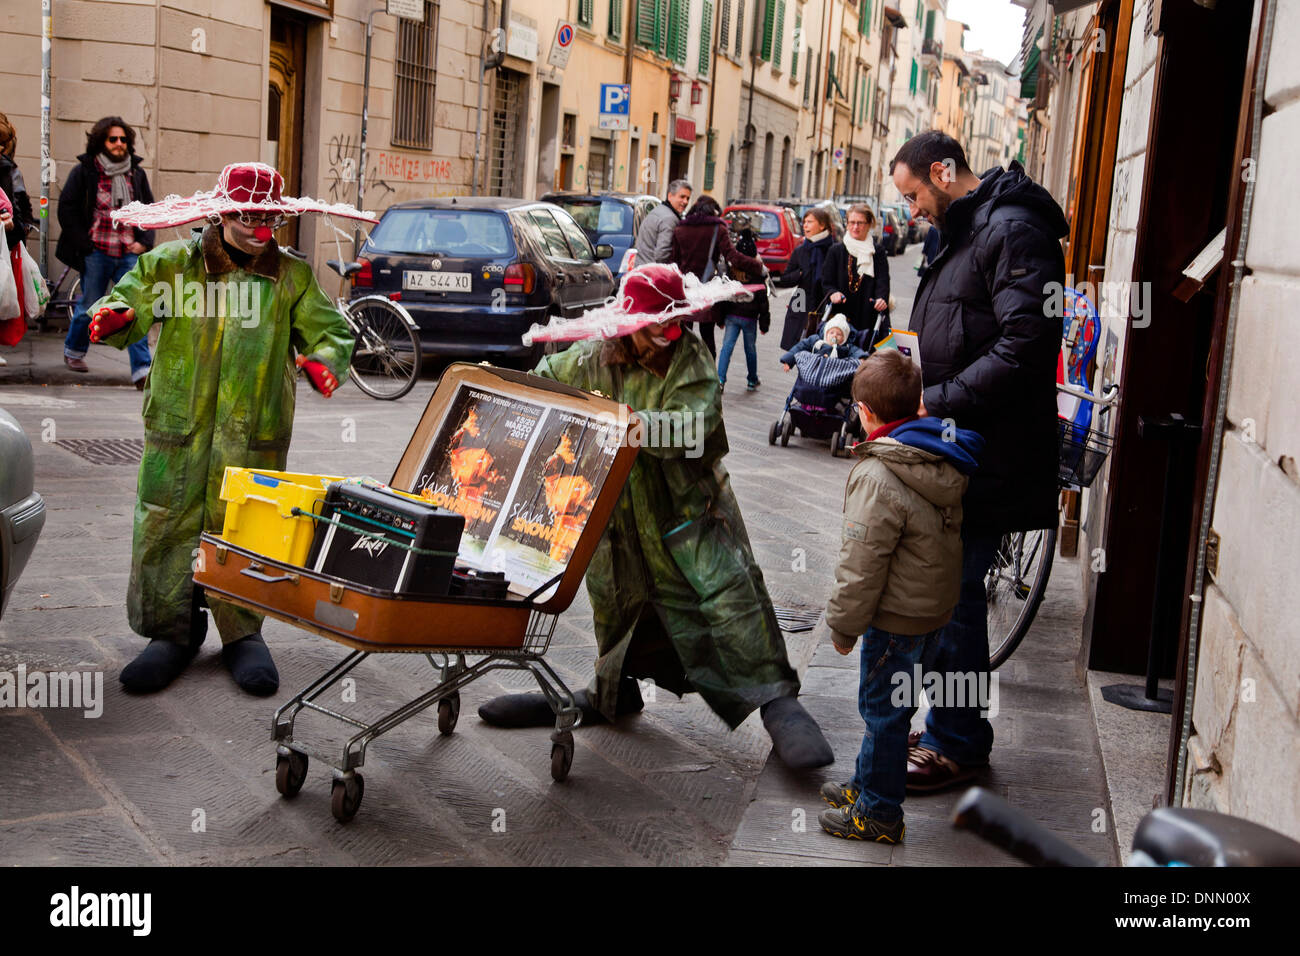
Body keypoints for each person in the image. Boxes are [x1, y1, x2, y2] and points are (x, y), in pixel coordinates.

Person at [480, 264, 835, 770]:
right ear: (630, 323)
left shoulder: (689, 356)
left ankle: (778, 702)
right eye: (656, 327)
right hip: (619, 517)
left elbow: (700, 428)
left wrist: (629, 426)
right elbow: (541, 390)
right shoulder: (590, 359)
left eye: (674, 324)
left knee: (730, 600)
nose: (668, 336)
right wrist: (500, 397)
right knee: (618, 604)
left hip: (690, 513)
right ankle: (611, 693)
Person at [85, 162, 374, 694]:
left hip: (256, 430)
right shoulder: (172, 264)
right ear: (221, 212)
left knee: (247, 528)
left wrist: (324, 358)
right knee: (165, 523)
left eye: (268, 217)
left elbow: (328, 329)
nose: (257, 226)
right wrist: (118, 316)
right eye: (246, 215)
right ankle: (170, 633)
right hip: (179, 425)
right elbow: (130, 299)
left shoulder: (291, 276)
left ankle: (243, 634)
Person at [890, 131, 1065, 790]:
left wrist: (935, 398)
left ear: (943, 171)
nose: (911, 211)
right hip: (954, 445)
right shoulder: (968, 228)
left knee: (954, 599)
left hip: (986, 451)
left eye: (913, 195)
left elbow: (1025, 346)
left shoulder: (1014, 231)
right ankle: (952, 729)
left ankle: (957, 743)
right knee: (946, 595)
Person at [816, 350, 983, 843]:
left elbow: (860, 564)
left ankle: (880, 814)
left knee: (883, 716)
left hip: (894, 620)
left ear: (865, 413)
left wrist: (844, 626)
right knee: (893, 710)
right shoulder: (940, 454)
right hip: (932, 614)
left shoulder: (879, 473)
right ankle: (866, 785)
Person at [58, 117, 157, 386]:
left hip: (128, 251)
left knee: (133, 309)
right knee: (90, 305)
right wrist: (84, 244)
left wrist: (145, 242)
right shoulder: (86, 170)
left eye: (123, 139)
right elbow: (66, 209)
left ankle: (141, 370)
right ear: (102, 141)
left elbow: (149, 210)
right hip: (97, 251)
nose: (118, 144)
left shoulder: (136, 173)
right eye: (113, 139)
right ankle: (74, 350)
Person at [670, 195, 765, 357]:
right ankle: (711, 376)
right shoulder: (717, 228)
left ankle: (682, 373)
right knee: (707, 335)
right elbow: (732, 257)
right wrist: (757, 265)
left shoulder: (680, 229)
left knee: (683, 334)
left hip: (685, 289)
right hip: (708, 288)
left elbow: (673, 262)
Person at [821, 203, 891, 344]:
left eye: (860, 223)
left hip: (868, 313)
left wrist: (881, 298)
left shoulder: (877, 252)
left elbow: (883, 280)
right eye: (852, 222)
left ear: (869, 224)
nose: (855, 227)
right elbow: (827, 281)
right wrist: (832, 292)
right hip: (841, 315)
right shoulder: (836, 250)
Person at [714, 216, 769, 391]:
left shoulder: (731, 271)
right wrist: (764, 323)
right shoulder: (758, 271)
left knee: (726, 348)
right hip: (750, 318)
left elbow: (725, 296)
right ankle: (752, 379)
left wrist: (720, 319)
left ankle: (720, 380)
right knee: (750, 350)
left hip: (731, 315)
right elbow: (763, 299)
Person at [773, 208, 834, 350]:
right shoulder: (800, 250)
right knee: (798, 347)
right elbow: (785, 279)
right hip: (801, 302)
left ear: (822, 225)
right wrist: (799, 274)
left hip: (824, 304)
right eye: (804, 222)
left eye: (810, 222)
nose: (805, 225)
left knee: (821, 347)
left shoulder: (833, 250)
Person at [633, 179, 692, 265]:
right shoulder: (669, 219)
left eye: (688, 198)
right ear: (670, 196)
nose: (685, 201)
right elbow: (662, 255)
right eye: (682, 197)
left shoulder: (657, 211)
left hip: (642, 269)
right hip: (654, 273)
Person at [779, 315, 866, 369]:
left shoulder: (847, 347)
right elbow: (799, 347)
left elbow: (857, 352)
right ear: (826, 333)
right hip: (814, 370)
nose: (834, 336)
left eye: (839, 334)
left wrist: (861, 358)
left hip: (834, 374)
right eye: (831, 333)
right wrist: (788, 361)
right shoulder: (817, 341)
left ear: (844, 337)